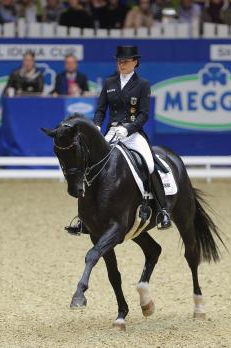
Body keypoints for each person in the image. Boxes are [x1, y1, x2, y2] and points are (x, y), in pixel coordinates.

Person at [65, 45, 172, 235]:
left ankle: (163, 210)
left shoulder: (142, 84)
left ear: (135, 62)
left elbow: (144, 114)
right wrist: (97, 125)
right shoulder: (109, 82)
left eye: (125, 61)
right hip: (111, 131)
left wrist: (128, 128)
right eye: (119, 61)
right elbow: (100, 109)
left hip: (133, 133)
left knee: (148, 163)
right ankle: (84, 218)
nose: (121, 64)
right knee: (91, 164)